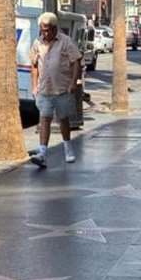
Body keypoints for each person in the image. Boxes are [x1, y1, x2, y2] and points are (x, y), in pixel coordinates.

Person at [29, 12, 82, 168]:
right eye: (42, 30)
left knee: (63, 119)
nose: (45, 33)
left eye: (48, 29)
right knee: (44, 119)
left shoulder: (66, 42)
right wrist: (34, 85)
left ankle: (68, 148)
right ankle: (42, 153)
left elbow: (76, 62)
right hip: (45, 89)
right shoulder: (37, 43)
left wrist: (73, 82)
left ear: (54, 28)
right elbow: (33, 65)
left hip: (62, 89)